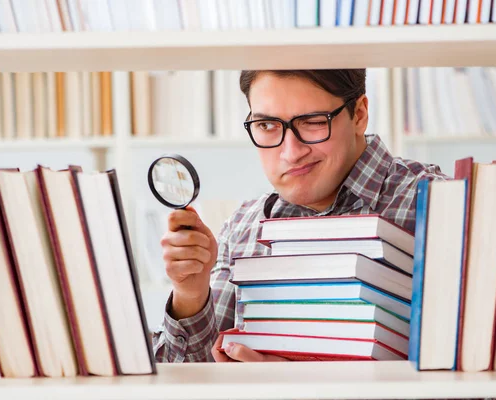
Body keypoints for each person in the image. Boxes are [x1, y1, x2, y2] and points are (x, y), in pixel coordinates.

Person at [152, 69, 448, 363]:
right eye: (267, 125)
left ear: (358, 115)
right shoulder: (244, 225)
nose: (291, 153)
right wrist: (190, 294)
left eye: (313, 122)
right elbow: (189, 388)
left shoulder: (437, 204)